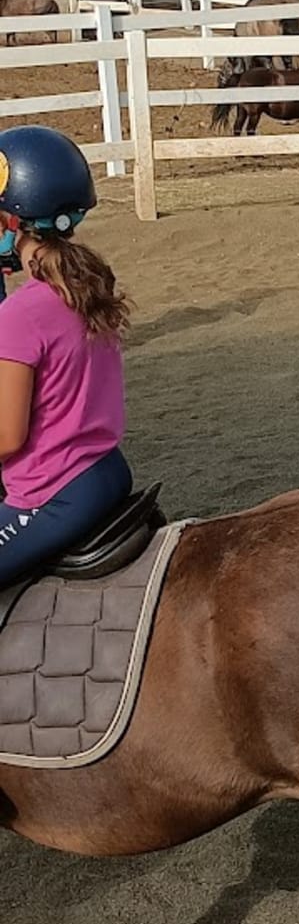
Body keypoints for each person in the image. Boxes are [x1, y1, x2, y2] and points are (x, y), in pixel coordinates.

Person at [0, 126, 132, 585]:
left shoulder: (18, 314)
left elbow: (7, 437)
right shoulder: (83, 289)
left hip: (51, 493)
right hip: (105, 470)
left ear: (12, 222)